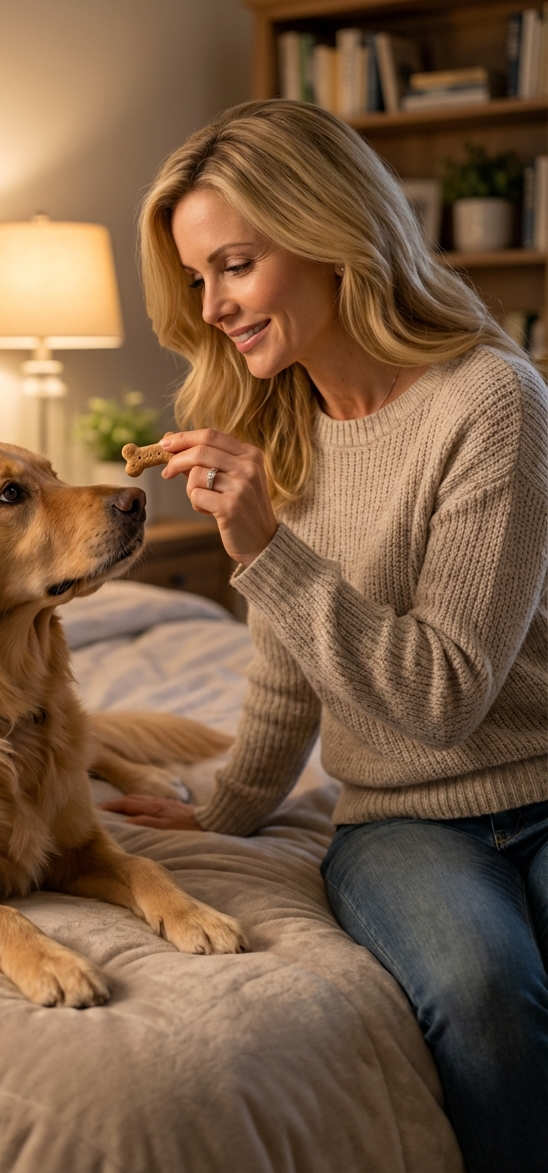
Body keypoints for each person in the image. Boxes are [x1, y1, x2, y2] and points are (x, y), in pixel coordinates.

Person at [102, 99, 547, 1173]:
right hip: (403, 823)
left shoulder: (490, 402)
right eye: (197, 279)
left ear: (326, 233)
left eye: (233, 267)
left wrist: (265, 548)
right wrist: (223, 808)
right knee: (483, 991)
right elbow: (286, 675)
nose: (211, 307)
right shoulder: (275, 424)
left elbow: (442, 695)